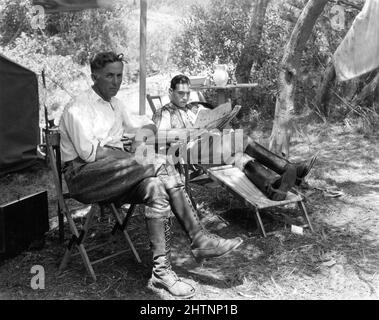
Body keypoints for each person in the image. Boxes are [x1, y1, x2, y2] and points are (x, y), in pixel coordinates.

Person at [59, 52, 243, 298]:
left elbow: (145, 123)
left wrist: (141, 137)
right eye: (109, 76)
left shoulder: (116, 104)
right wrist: (133, 157)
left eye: (119, 76)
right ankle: (199, 239)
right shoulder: (78, 107)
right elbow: (91, 154)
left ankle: (161, 273)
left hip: (114, 174)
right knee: (160, 160)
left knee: (156, 188)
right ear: (94, 76)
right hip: (84, 177)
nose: (116, 82)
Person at [152, 75, 317, 200]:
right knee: (240, 140)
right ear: (170, 92)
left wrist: (217, 122)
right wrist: (187, 133)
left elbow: (202, 124)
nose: (185, 97)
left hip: (208, 145)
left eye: (188, 93)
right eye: (180, 93)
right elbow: (158, 135)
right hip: (188, 151)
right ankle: (290, 168)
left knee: (239, 155)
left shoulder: (189, 108)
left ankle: (271, 186)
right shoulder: (164, 112)